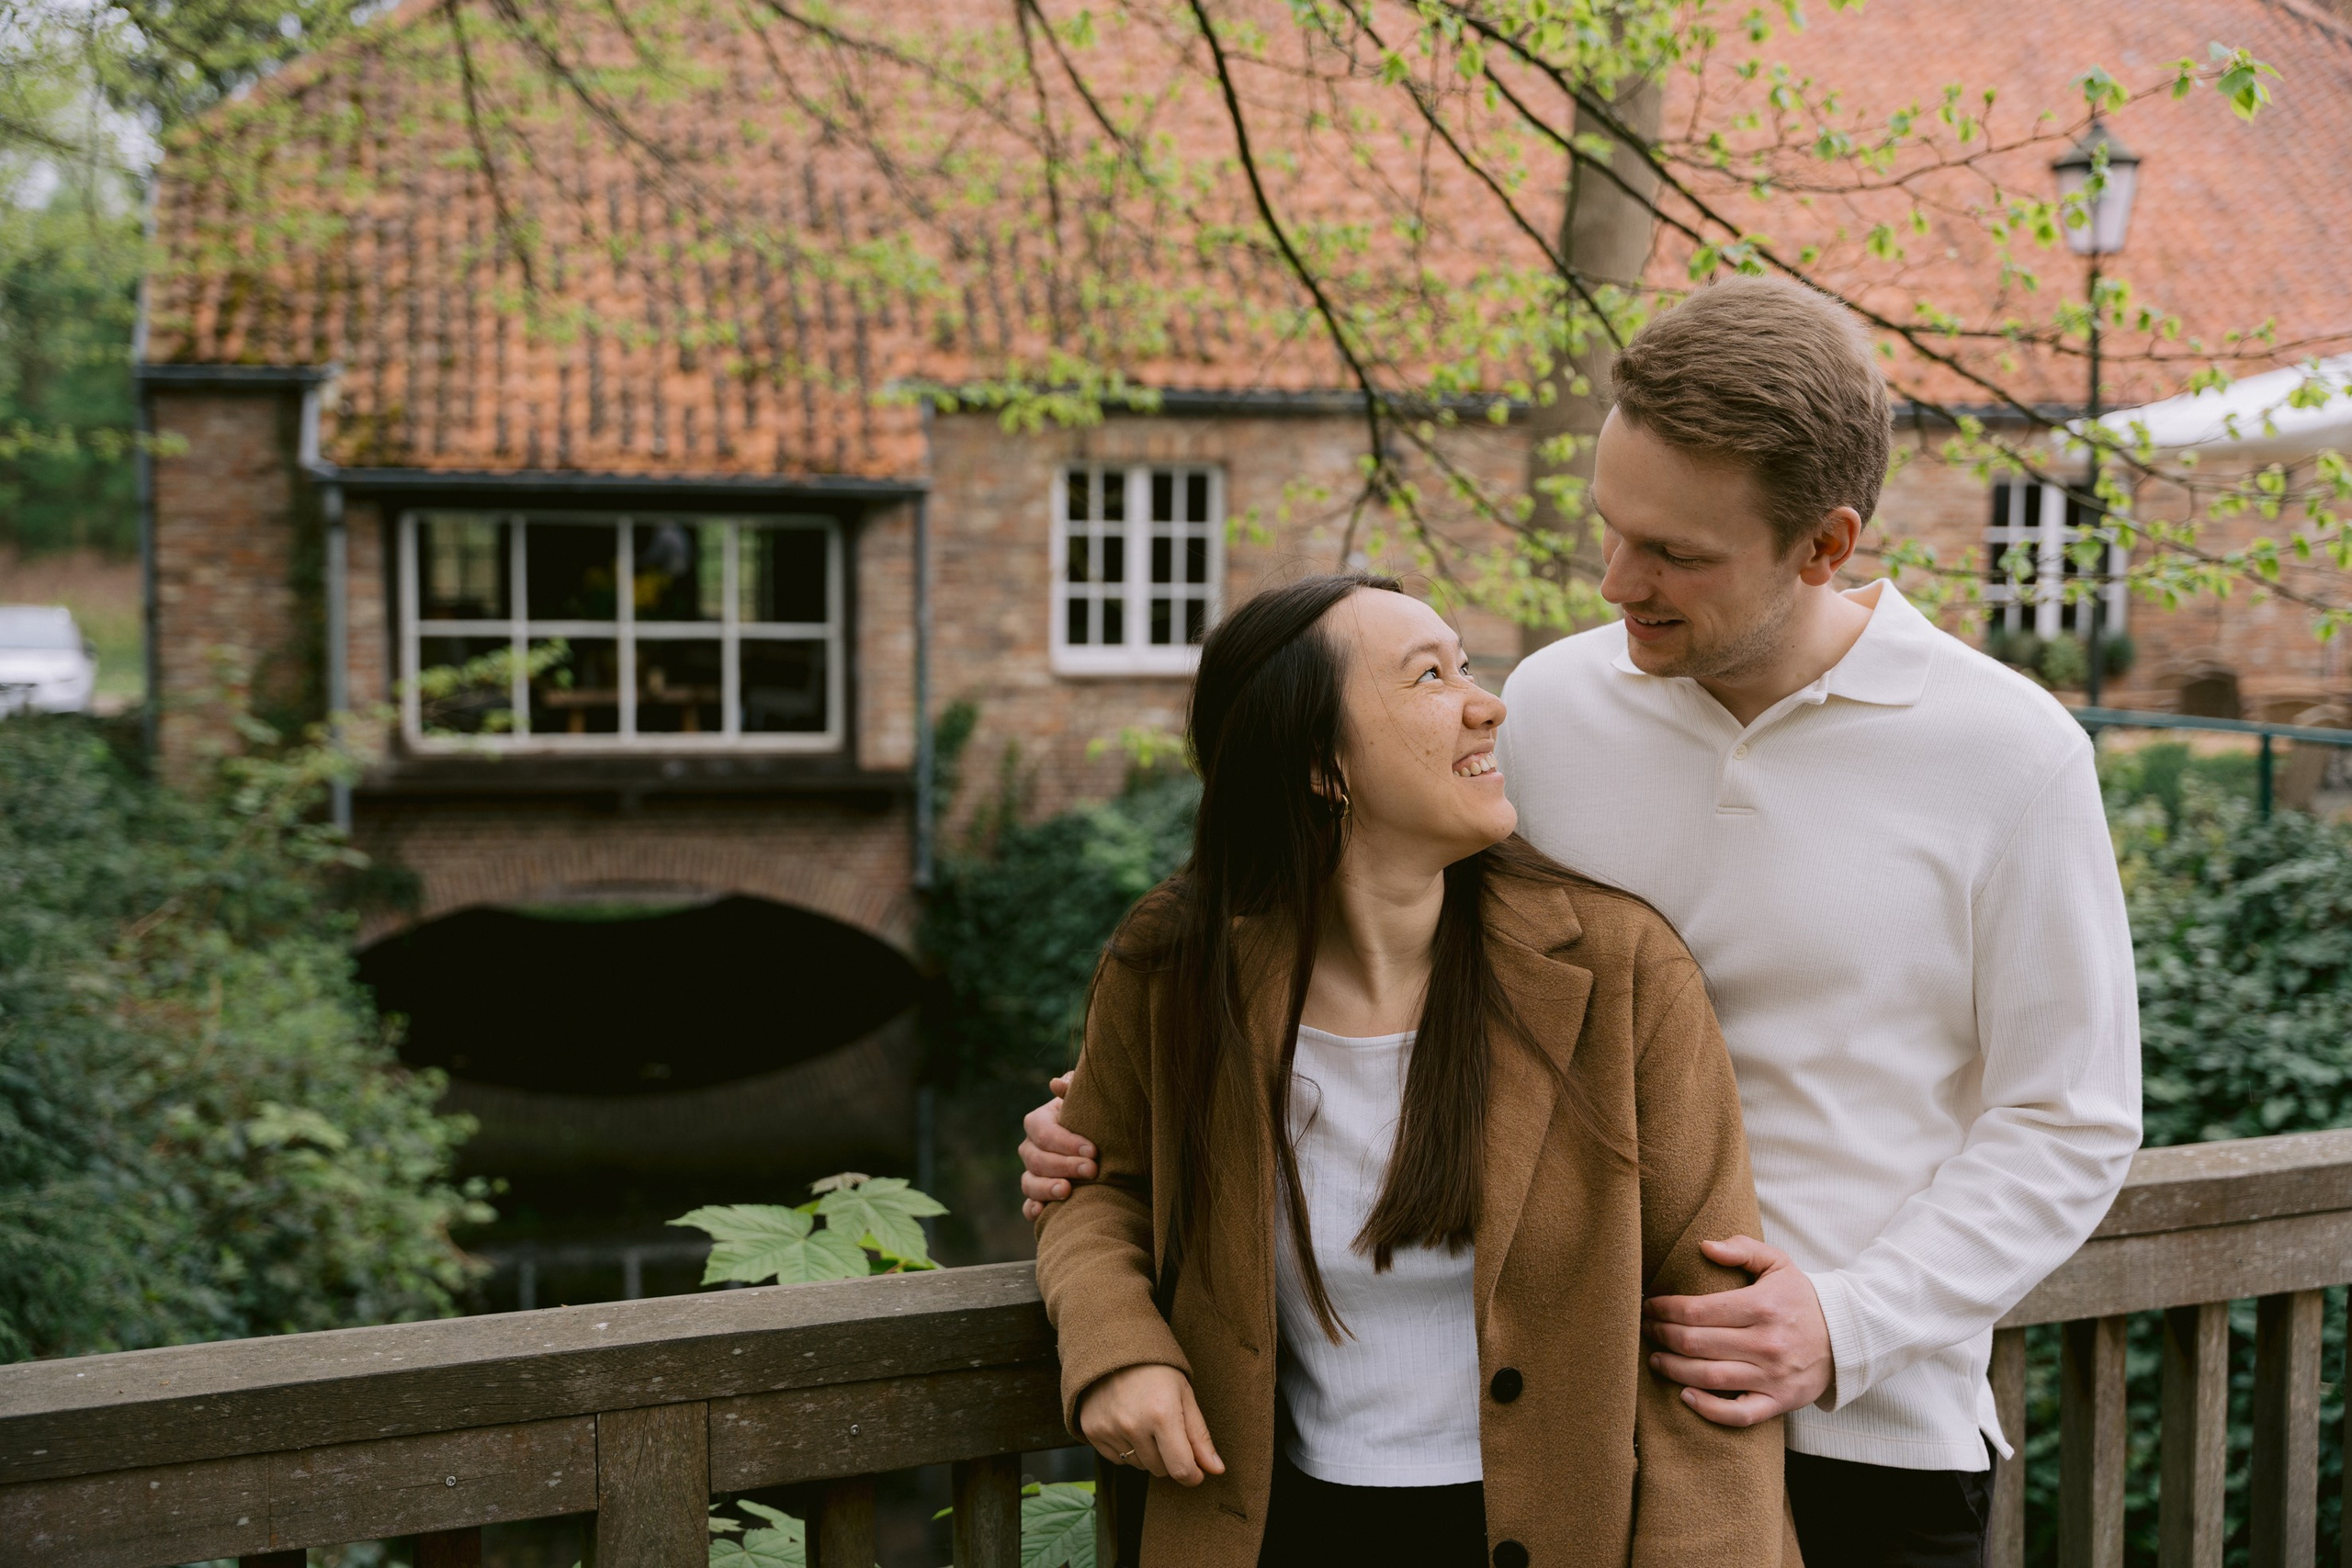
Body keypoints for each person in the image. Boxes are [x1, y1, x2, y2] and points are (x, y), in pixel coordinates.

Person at [1024, 276, 2143, 1568]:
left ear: (1823, 546)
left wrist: (1849, 1316)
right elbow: (1364, 929)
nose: (1620, 579)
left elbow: (2071, 1115)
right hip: (1568, 1426)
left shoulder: (2010, 754)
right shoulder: (1552, 706)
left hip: (1862, 1420)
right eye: (1613, 526)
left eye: (1674, 553)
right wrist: (1140, 1110)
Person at [1034, 571, 1799, 1568]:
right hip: (1267, 1527)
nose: (1488, 703)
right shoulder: (1177, 963)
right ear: (1320, 762)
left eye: (1467, 665)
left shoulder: (1619, 970)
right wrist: (1112, 1349)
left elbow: (1712, 1337)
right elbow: (1093, 1187)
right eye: (1429, 677)